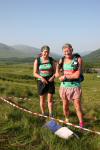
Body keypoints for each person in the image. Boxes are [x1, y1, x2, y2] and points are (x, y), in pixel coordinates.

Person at [55, 43, 84, 127]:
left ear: (72, 50)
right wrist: (59, 72)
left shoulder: (77, 59)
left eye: (68, 51)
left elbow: (77, 75)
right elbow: (57, 74)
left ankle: (81, 124)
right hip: (64, 87)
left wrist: (65, 77)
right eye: (64, 51)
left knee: (77, 107)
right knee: (65, 106)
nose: (66, 53)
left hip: (75, 87)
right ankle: (67, 119)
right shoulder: (62, 60)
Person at [33, 45, 56, 117]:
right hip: (41, 81)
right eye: (45, 52)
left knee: (50, 100)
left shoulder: (51, 60)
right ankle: (43, 114)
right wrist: (41, 78)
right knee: (42, 100)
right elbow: (34, 73)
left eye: (48, 52)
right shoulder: (38, 60)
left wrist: (53, 77)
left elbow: (56, 72)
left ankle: (51, 115)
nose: (46, 53)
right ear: (42, 52)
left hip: (50, 80)